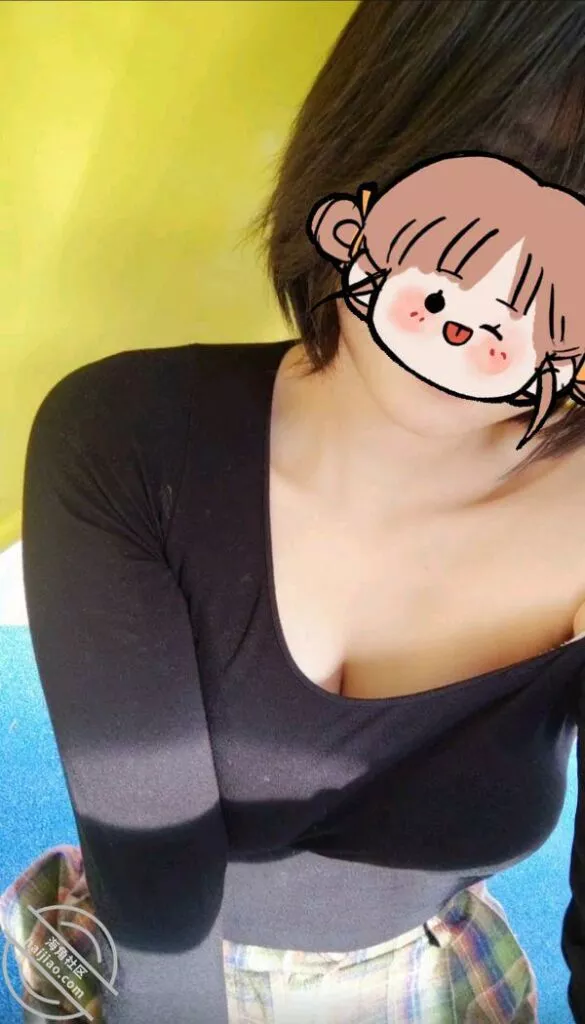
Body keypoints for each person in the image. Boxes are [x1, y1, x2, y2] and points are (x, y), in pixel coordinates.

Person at [8, 0, 585, 1020]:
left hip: (430, 968)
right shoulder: (124, 442)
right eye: (503, 173)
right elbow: (158, 910)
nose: (500, 302)